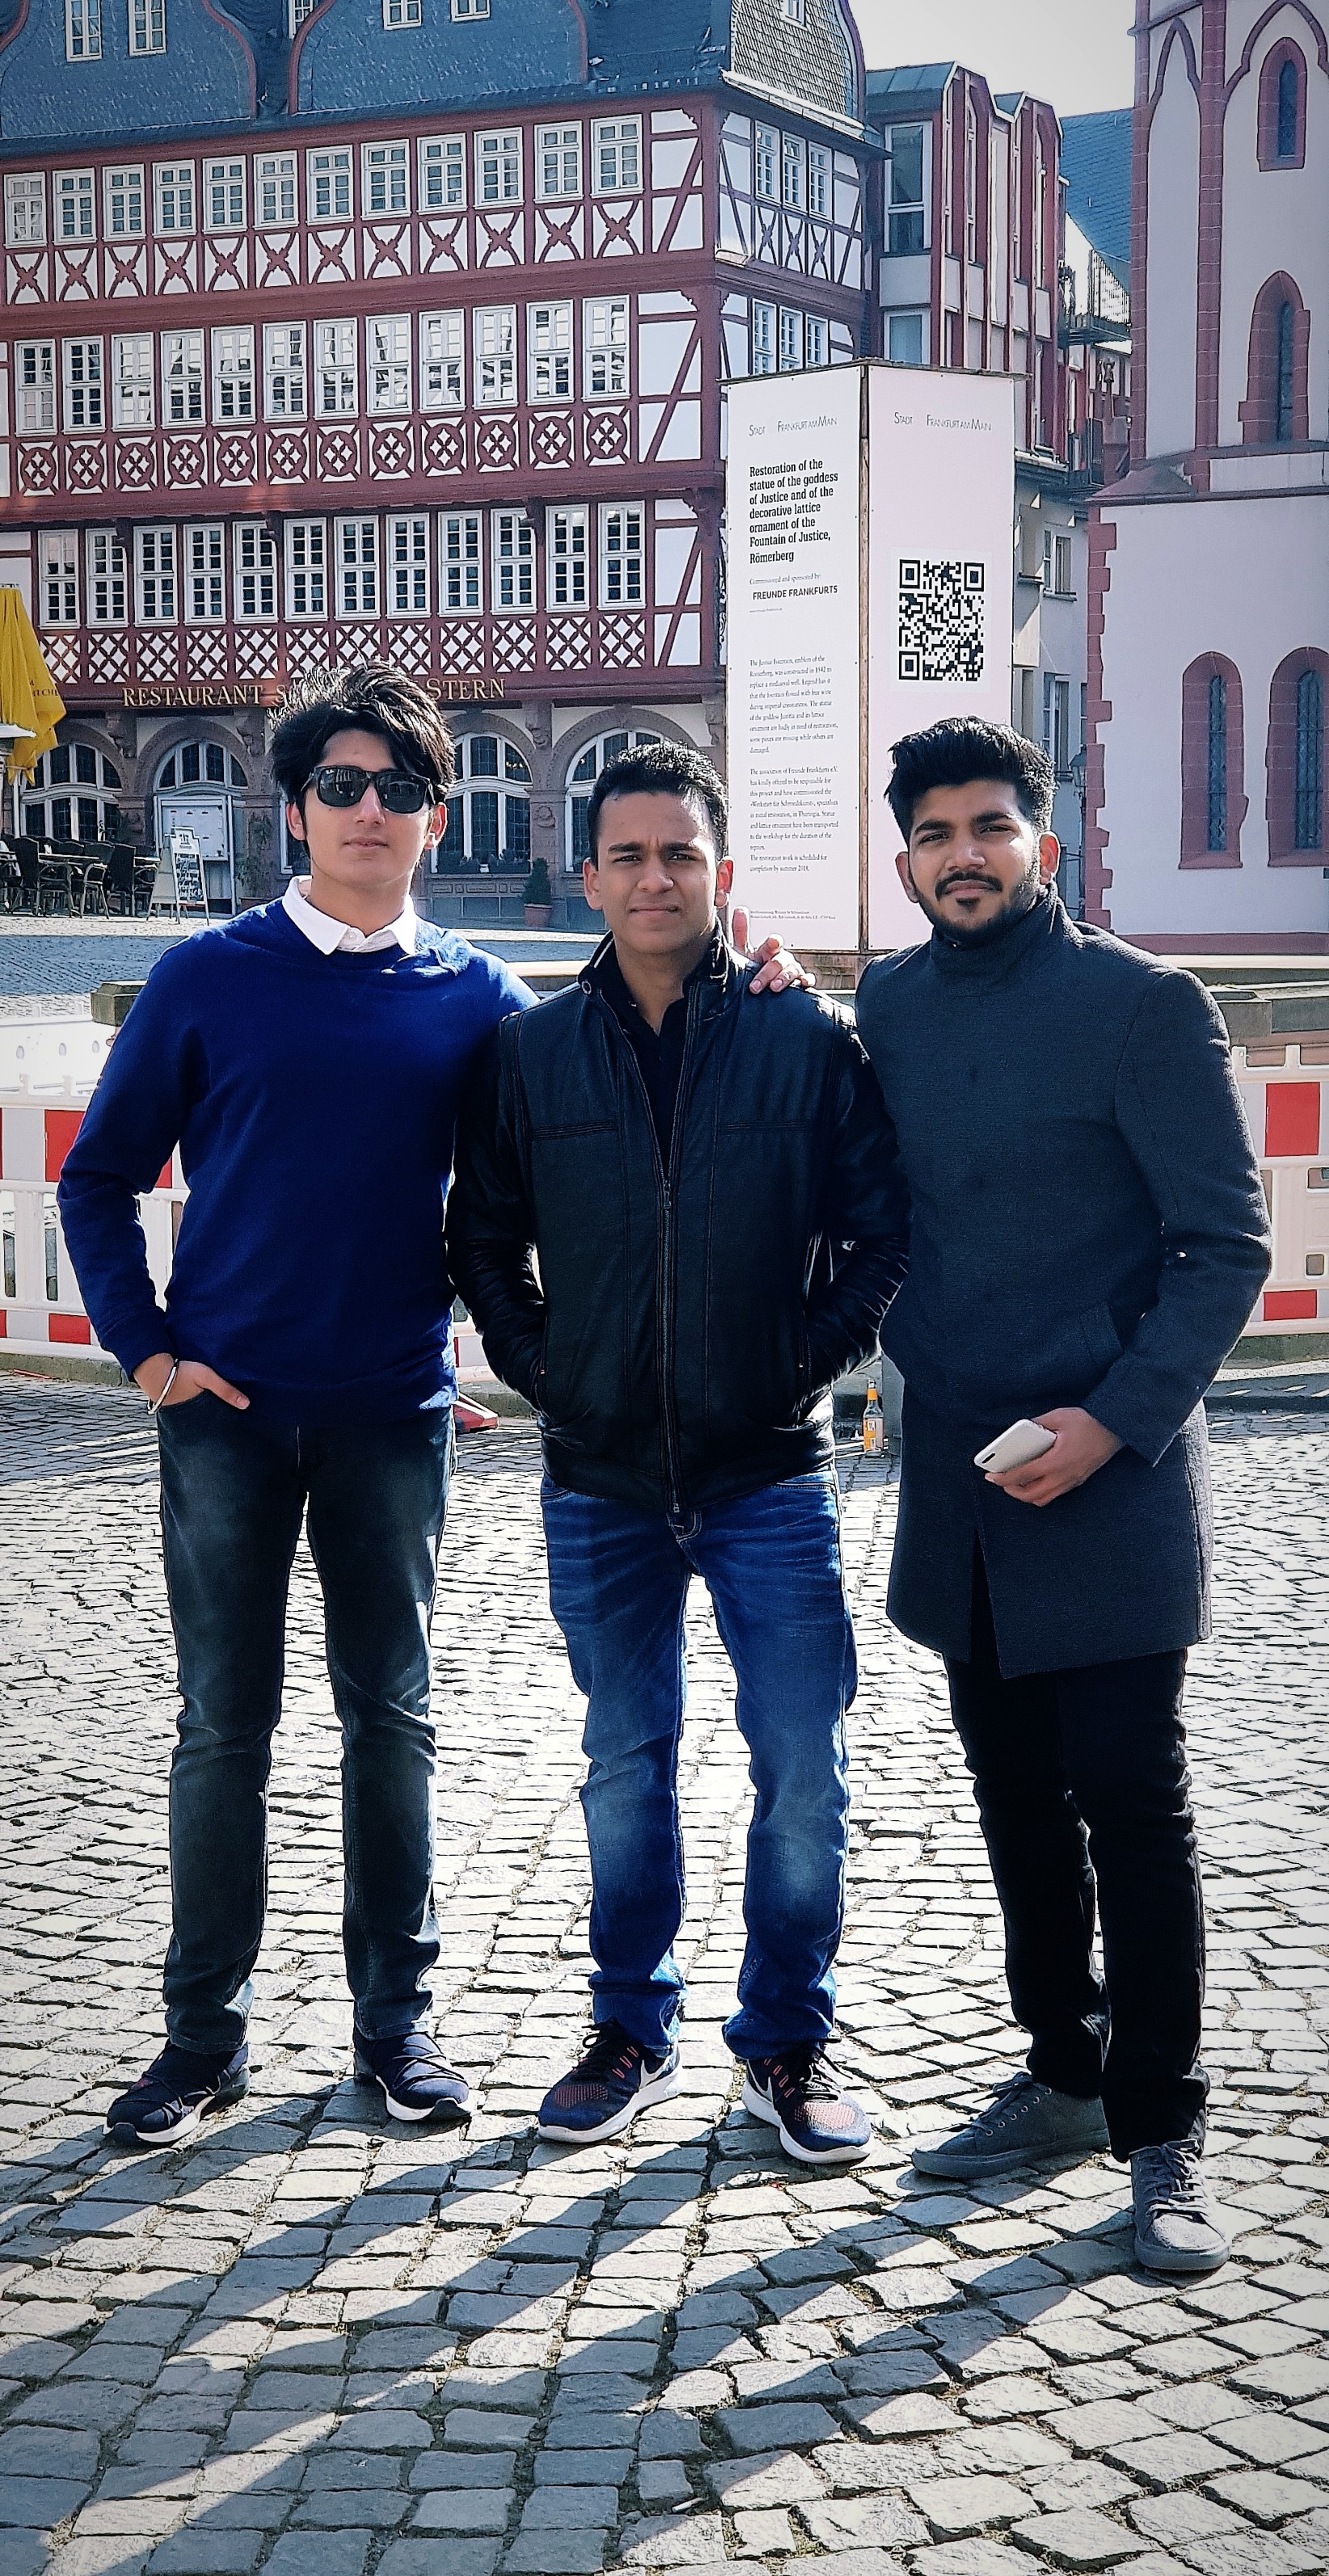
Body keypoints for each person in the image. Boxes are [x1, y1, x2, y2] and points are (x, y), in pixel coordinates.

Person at [57, 664, 540, 2145]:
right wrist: (147, 1356)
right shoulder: (211, 976)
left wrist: (749, 977)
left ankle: (396, 2030)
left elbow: (587, 1128)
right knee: (224, 1727)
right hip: (227, 1413)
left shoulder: (482, 998)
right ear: (296, 810)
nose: (369, 810)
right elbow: (98, 1175)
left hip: (393, 1411)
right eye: (341, 785)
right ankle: (200, 2039)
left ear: (436, 819)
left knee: (392, 1720)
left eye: (400, 788)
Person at [446, 741, 909, 2165]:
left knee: (803, 1764)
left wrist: (793, 1364)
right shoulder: (528, 1052)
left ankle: (786, 2041)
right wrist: (548, 1374)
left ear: (722, 874)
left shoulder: (803, 1036)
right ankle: (629, 2028)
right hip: (600, 1478)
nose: (657, 878)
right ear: (589, 876)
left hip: (768, 1471)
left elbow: (880, 1233)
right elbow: (481, 1238)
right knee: (623, 1760)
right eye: (630, 855)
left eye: (681, 855)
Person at [854, 716, 1271, 2273]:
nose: (963, 854)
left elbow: (1224, 1247)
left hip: (1111, 1472)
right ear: (907, 859)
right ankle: (1062, 2072)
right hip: (963, 1476)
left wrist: (1111, 1425)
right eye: (935, 833)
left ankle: (1163, 2134)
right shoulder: (887, 1002)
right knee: (1013, 1795)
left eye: (989, 825)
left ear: (1043, 836)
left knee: (1133, 1807)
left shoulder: (1142, 1005)